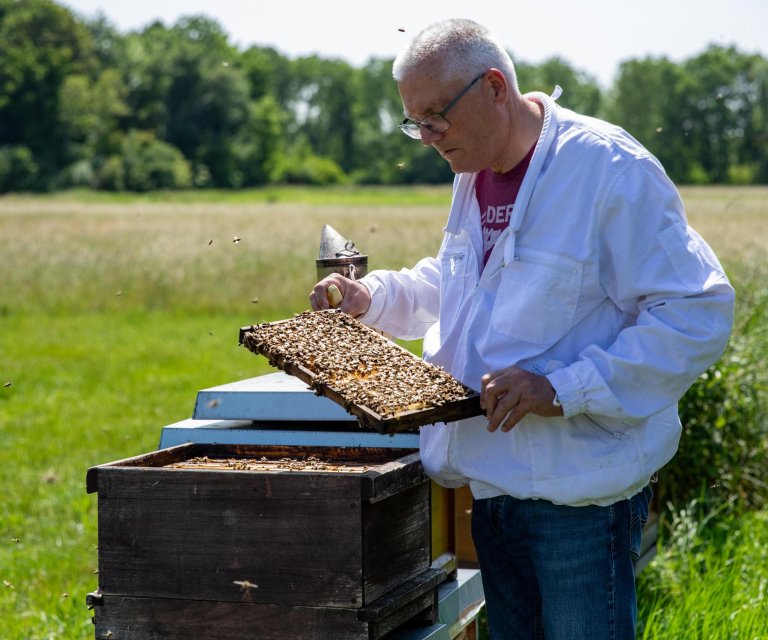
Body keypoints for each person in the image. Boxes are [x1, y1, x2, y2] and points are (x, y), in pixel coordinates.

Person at [310, 18, 734, 640]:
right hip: (492, 489)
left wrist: (562, 389)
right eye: (415, 121)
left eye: (436, 118)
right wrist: (370, 296)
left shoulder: (605, 168)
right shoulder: (471, 169)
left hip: (581, 502)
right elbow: (460, 284)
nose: (427, 138)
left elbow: (696, 312)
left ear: (493, 86)